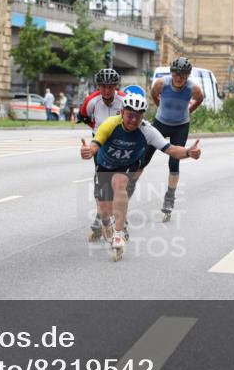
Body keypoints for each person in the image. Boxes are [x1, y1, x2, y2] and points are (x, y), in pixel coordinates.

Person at [80, 93, 201, 261]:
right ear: (122, 113)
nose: (133, 120)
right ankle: (107, 224)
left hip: (127, 165)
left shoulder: (148, 130)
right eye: (130, 115)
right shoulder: (110, 124)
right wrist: (89, 151)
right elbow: (95, 144)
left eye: (138, 116)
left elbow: (171, 149)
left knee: (119, 182)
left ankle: (119, 233)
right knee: (104, 211)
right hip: (104, 166)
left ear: (143, 116)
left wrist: (189, 152)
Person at [140, 56, 204, 220]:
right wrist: (160, 106)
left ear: (188, 76)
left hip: (181, 126)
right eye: (176, 74)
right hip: (161, 122)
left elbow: (200, 99)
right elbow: (154, 94)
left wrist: (189, 110)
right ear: (172, 73)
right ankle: (127, 188)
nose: (179, 78)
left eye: (183, 75)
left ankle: (169, 198)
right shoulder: (162, 83)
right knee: (144, 158)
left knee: (174, 161)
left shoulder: (193, 88)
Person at [78, 68, 126, 241]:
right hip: (99, 141)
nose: (106, 90)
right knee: (102, 179)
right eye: (103, 87)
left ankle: (117, 218)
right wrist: (95, 127)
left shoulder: (123, 99)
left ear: (116, 87)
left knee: (118, 181)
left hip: (119, 141)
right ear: (98, 86)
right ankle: (102, 216)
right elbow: (82, 115)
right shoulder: (92, 100)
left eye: (110, 87)